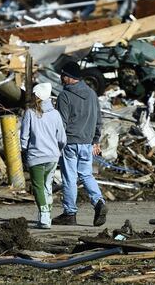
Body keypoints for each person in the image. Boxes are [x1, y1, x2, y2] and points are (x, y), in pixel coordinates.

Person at [52, 61, 108, 227]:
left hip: (69, 142)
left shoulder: (65, 96)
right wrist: (95, 140)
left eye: (63, 75)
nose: (61, 78)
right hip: (86, 142)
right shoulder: (91, 93)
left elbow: (61, 122)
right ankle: (98, 202)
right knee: (86, 175)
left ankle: (70, 213)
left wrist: (57, 143)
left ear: (70, 77)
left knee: (69, 178)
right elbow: (98, 119)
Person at [20, 82, 66, 229]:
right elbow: (62, 139)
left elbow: (24, 137)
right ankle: (46, 216)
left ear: (36, 96)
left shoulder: (30, 113)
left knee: (38, 187)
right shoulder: (55, 114)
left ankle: (45, 216)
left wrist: (24, 151)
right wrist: (57, 149)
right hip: (52, 157)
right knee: (47, 186)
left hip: (36, 156)